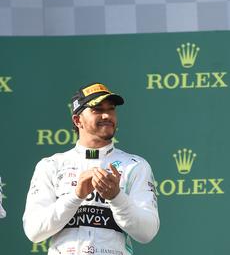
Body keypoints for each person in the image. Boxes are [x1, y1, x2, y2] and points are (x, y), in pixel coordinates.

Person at [23, 82, 159, 254]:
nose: (106, 115)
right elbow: (34, 231)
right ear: (77, 120)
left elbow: (147, 232)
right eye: (97, 109)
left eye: (111, 109)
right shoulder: (51, 166)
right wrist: (76, 196)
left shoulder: (135, 165)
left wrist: (116, 197)